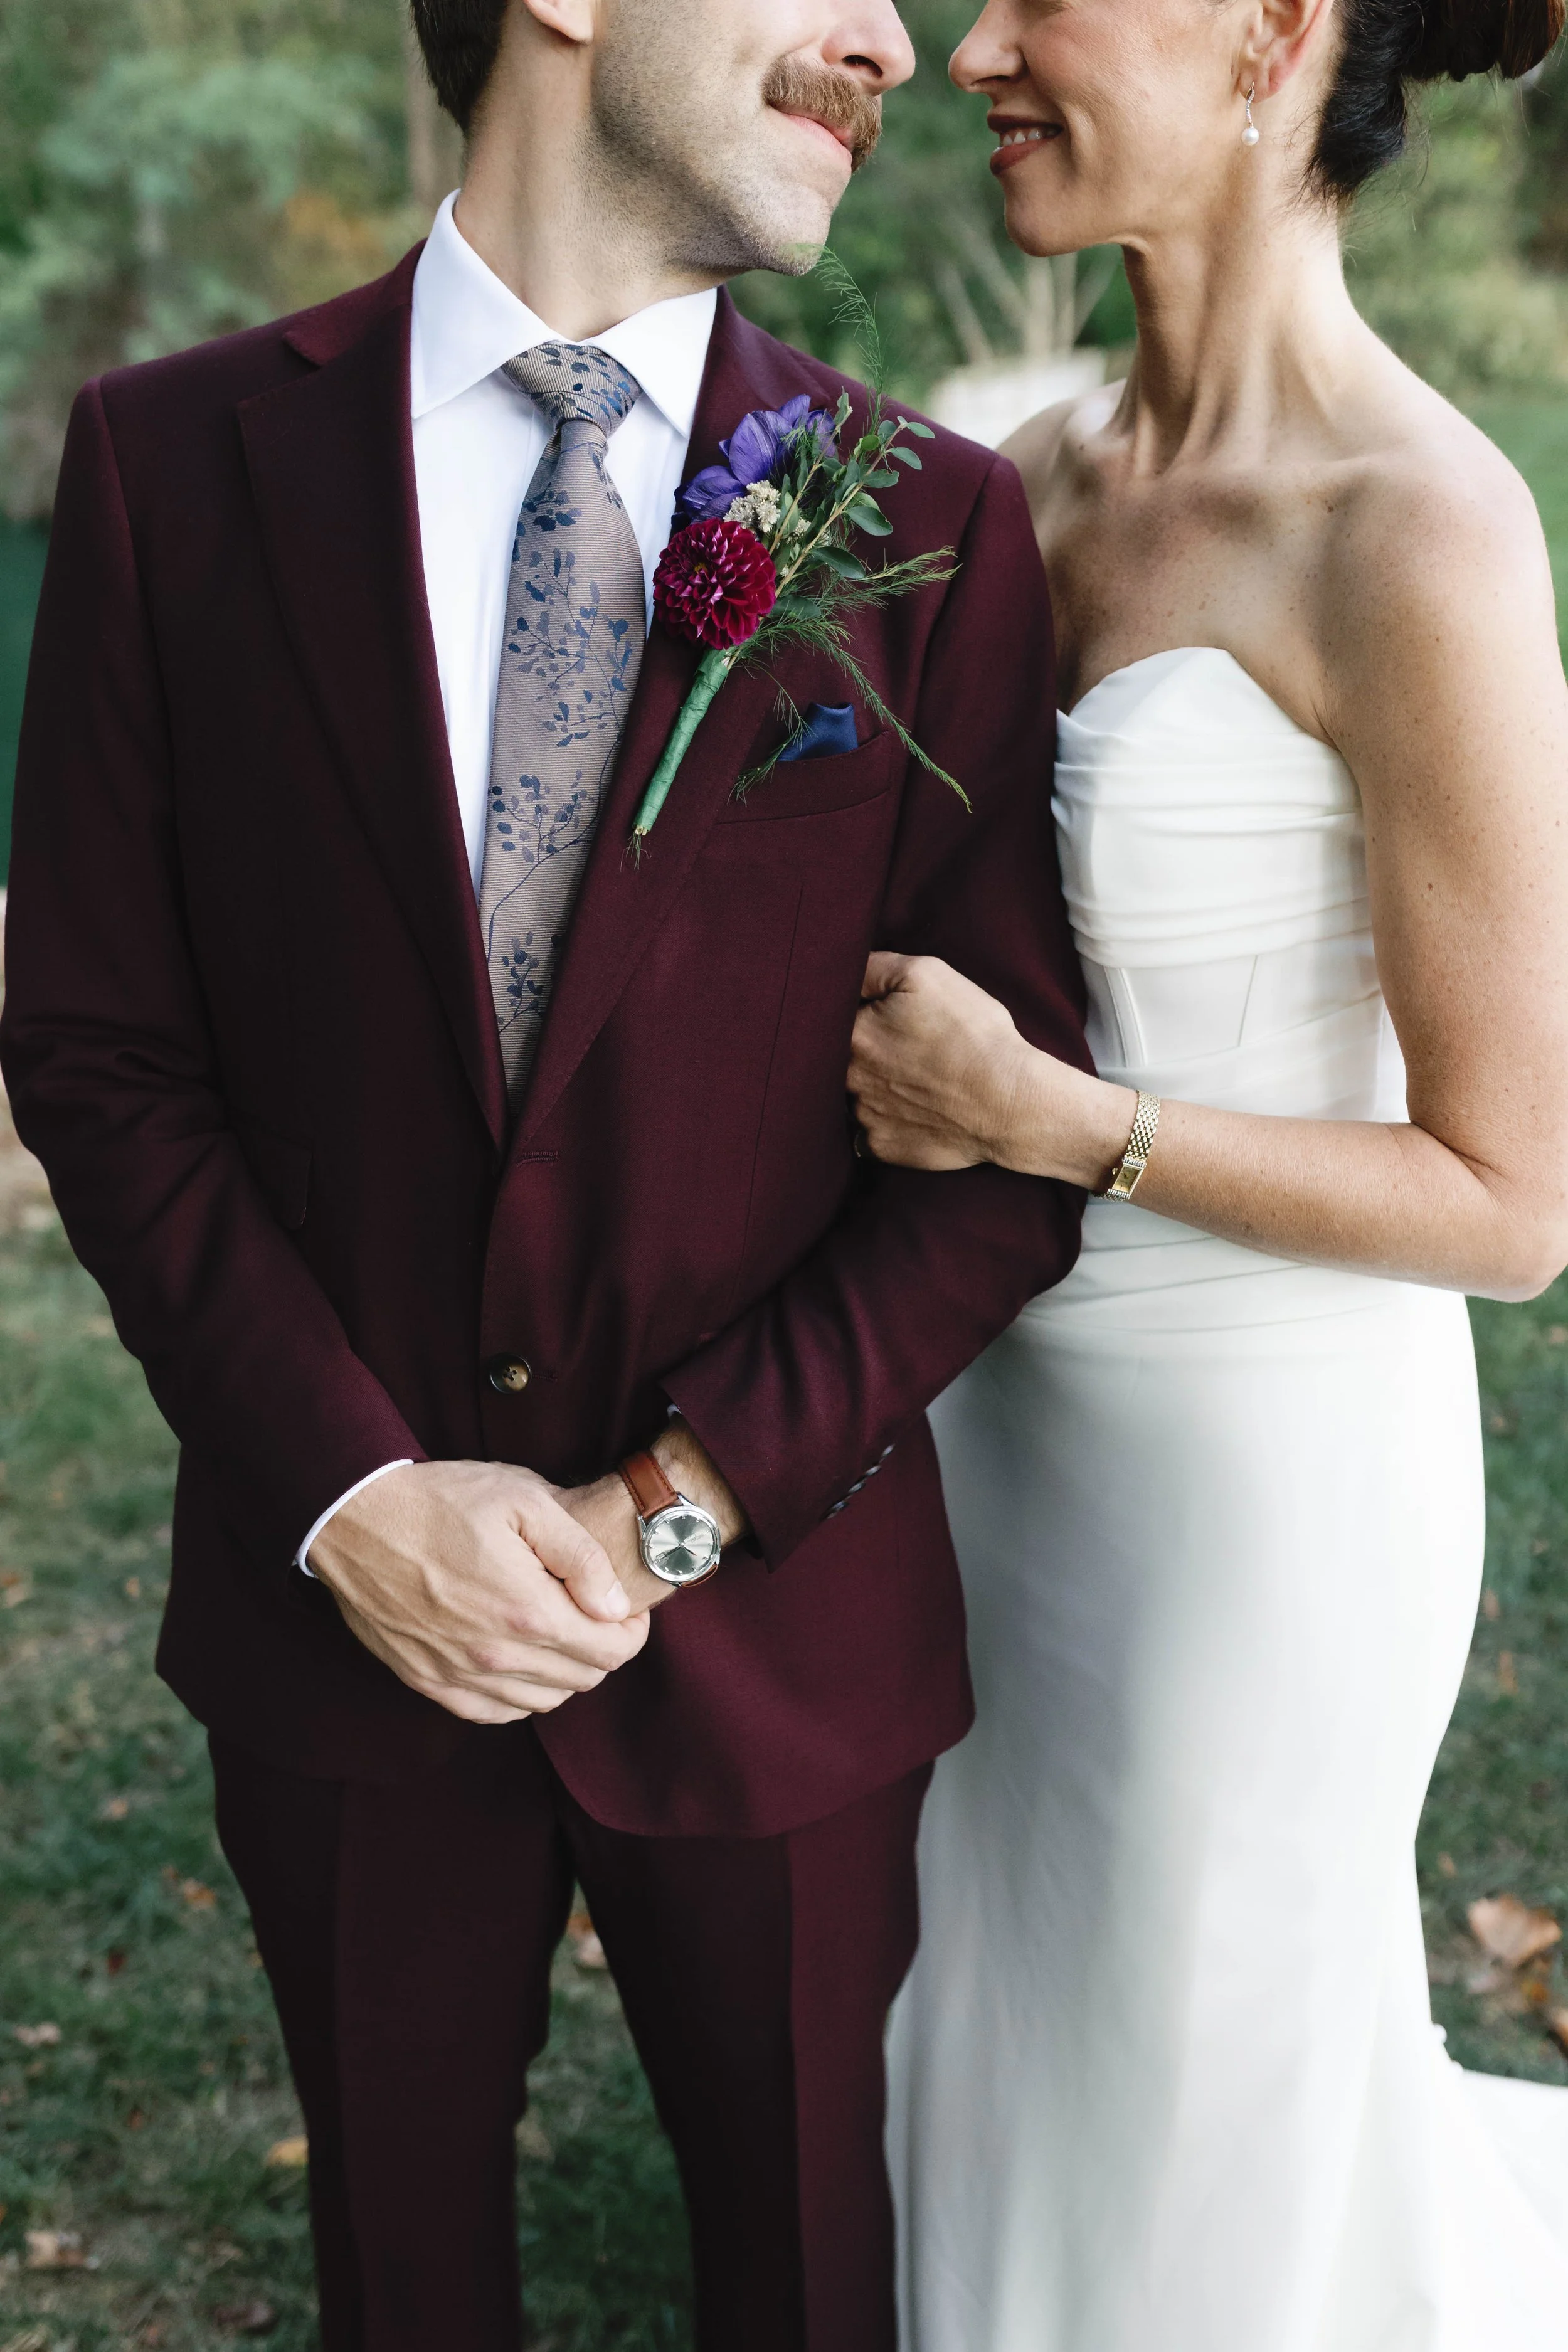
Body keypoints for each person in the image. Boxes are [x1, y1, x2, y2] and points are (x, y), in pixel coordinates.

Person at [0, 3, 1094, 2345]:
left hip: (773, 1623)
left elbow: (1000, 1160)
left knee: (812, 2279)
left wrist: (670, 1507)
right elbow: (102, 1051)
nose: (889, 35)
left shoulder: (919, 519)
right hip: (335, 1627)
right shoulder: (169, 464)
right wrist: (349, 1495)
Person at [851, 0, 1568, 2342]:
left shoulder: (1420, 527)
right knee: (1003, 2034)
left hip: (1256, 1492)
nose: (974, 50)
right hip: (981, 1435)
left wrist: (1063, 1128)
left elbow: (1508, 1197)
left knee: (1196, 2105)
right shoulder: (1022, 483)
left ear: (1271, 33)